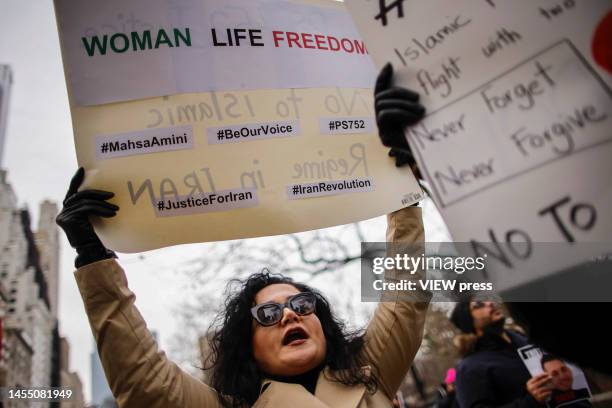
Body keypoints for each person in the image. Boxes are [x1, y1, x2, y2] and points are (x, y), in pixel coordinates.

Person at [55, 79, 430, 407]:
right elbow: (143, 382)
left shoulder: (372, 374)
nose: (289, 314)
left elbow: (407, 291)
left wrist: (400, 186)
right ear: (246, 348)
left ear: (322, 323)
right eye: (267, 314)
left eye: (302, 303)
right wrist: (92, 256)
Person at [373, 62, 612, 376]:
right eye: (477, 304)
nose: (488, 303)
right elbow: (575, 324)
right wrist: (440, 157)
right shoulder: (478, 368)